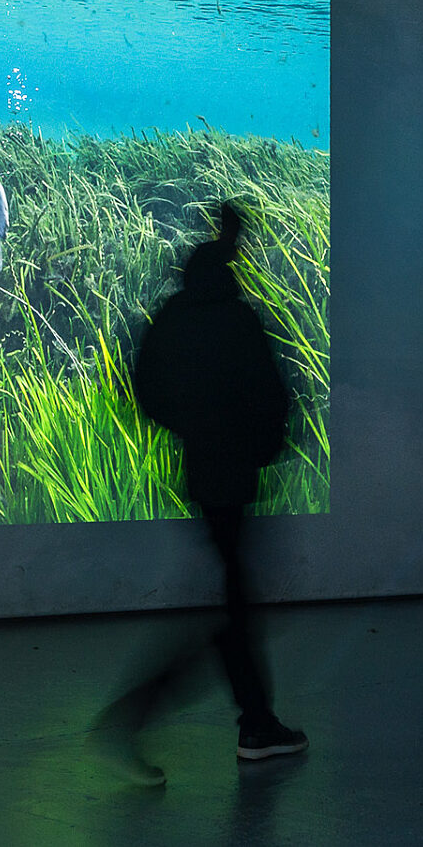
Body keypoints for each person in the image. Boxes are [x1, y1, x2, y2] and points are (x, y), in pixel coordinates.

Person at [94, 201, 309, 784]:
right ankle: (145, 718)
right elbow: (272, 398)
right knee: (231, 612)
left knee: (232, 604)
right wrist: (261, 448)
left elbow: (146, 389)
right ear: (227, 274)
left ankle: (256, 722)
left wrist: (192, 429)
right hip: (235, 476)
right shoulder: (238, 320)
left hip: (202, 472)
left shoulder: (174, 317)